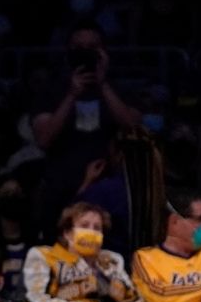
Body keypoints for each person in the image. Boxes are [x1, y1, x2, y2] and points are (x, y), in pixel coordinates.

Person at [31, 22, 141, 234]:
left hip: (109, 184)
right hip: (62, 184)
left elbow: (133, 127)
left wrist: (103, 84)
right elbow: (44, 139)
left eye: (92, 47)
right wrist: (72, 94)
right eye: (79, 48)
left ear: (104, 52)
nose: (85, 53)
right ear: (68, 52)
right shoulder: (51, 90)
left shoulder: (120, 89)